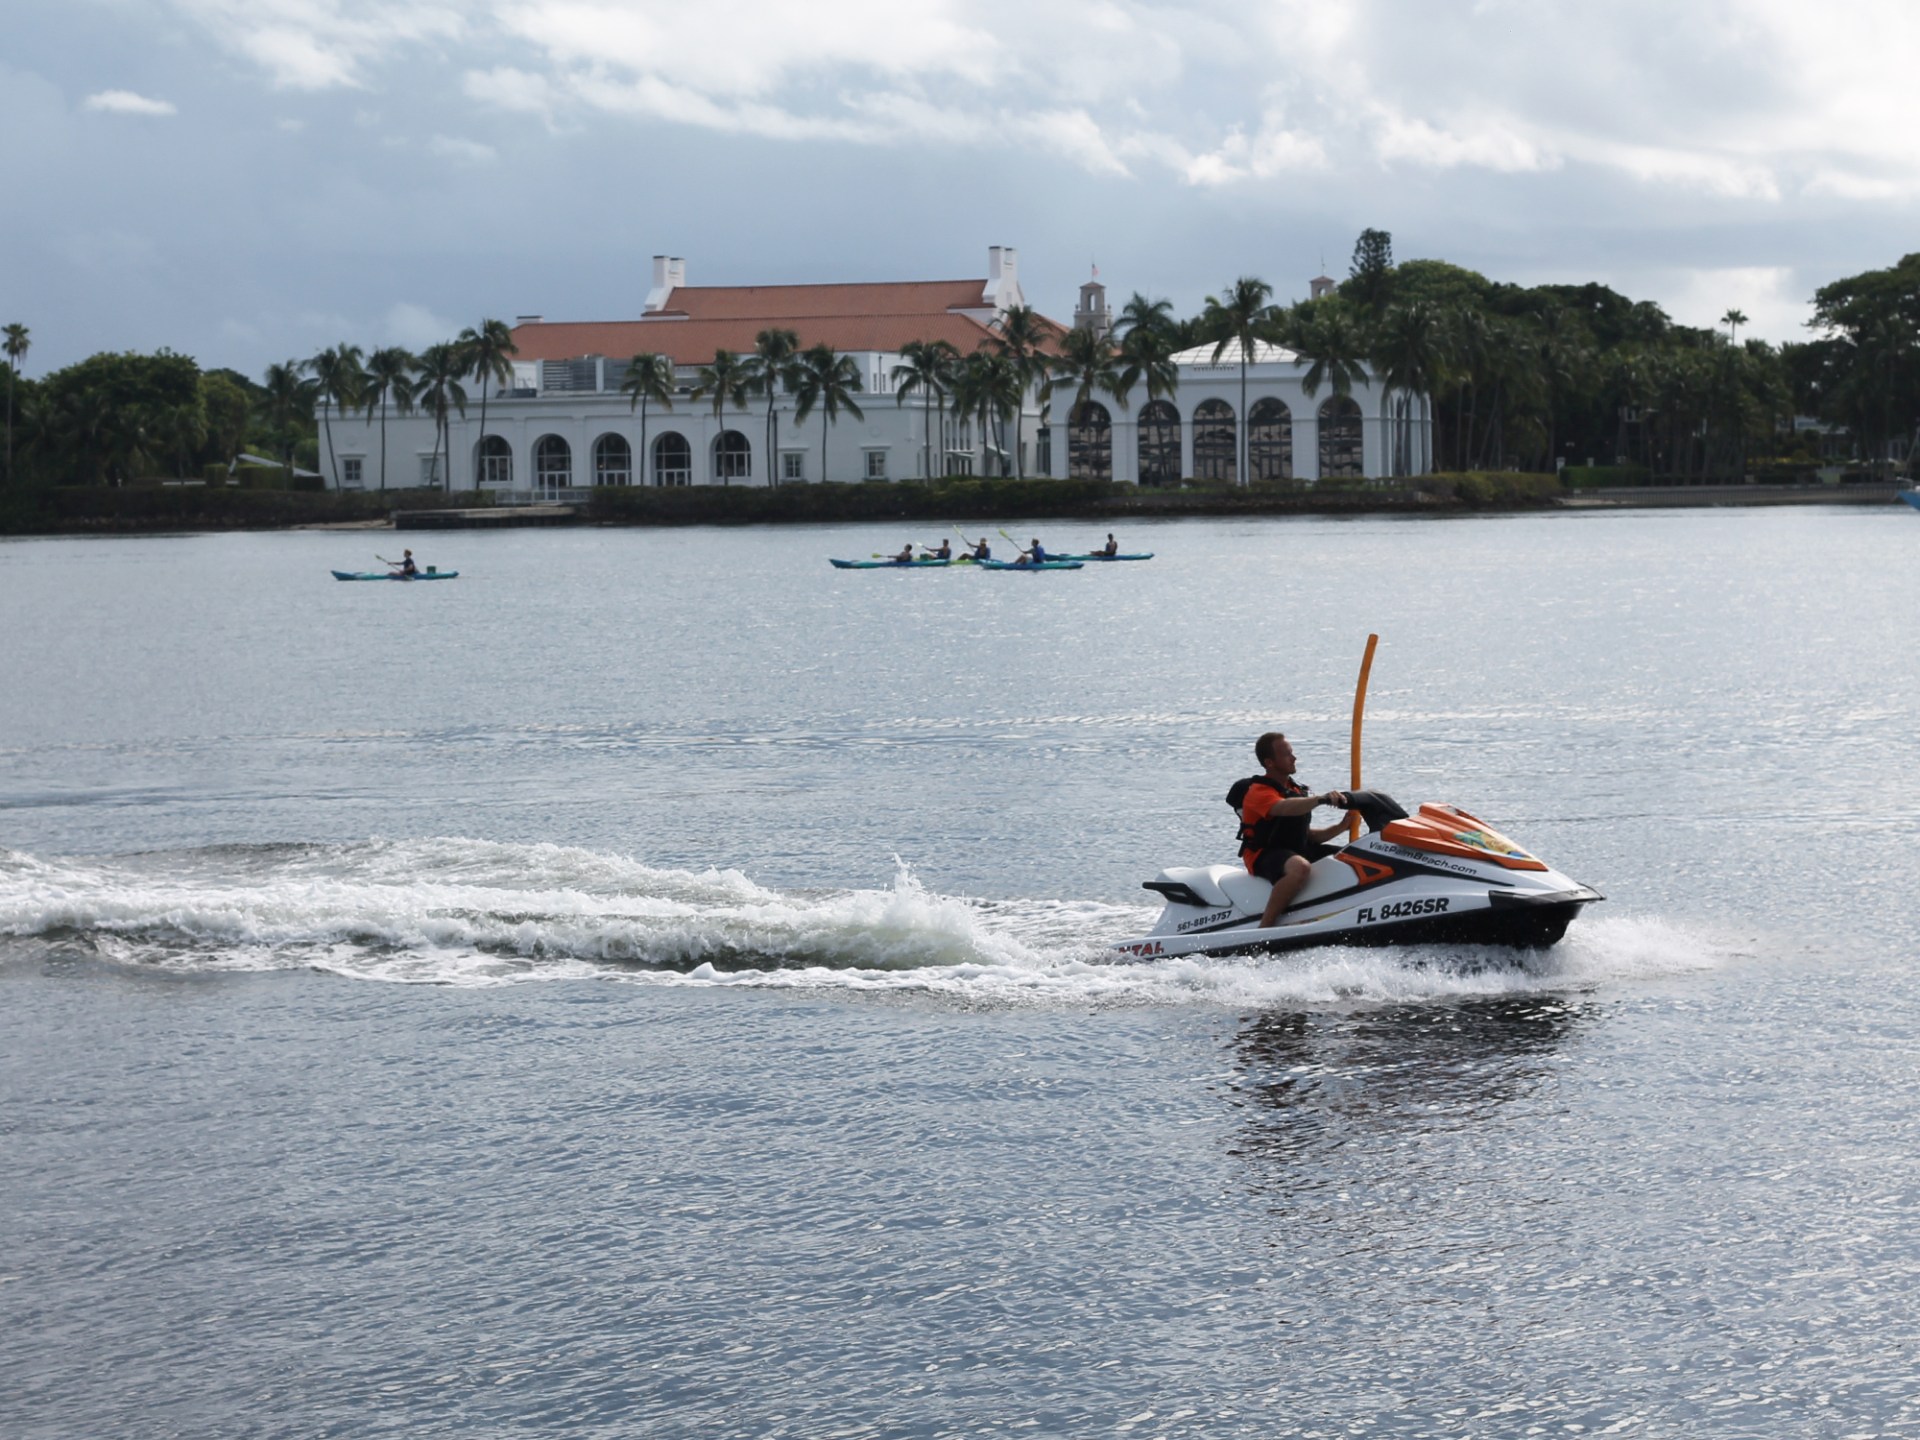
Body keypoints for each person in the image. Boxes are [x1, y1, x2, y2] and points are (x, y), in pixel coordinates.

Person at [1237, 731, 1354, 929]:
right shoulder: (1259, 792)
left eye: (1292, 752)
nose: (1294, 758)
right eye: (1286, 754)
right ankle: (1264, 928)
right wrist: (1320, 800)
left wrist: (1341, 827)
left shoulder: (1297, 790)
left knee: (1353, 856)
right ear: (1270, 763)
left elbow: (1308, 836)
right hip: (1263, 854)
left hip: (1294, 849)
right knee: (1300, 867)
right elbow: (1283, 807)